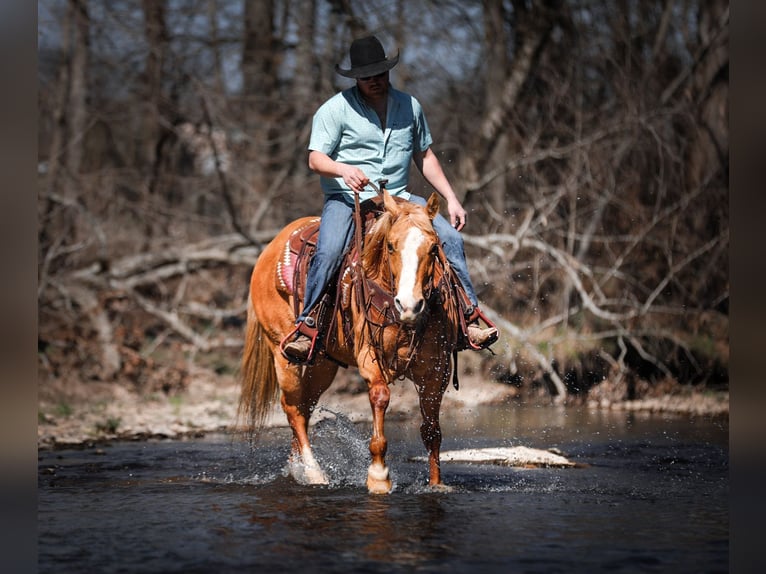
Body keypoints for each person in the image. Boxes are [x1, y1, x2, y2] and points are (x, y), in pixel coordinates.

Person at [282, 35, 497, 363]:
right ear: (356, 78)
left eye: (379, 75)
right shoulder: (335, 110)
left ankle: (469, 317)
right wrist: (343, 169)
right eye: (366, 77)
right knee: (328, 251)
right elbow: (315, 159)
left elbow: (424, 155)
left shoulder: (410, 106)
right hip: (349, 198)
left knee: (451, 238)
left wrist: (451, 198)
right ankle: (307, 324)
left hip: (400, 199)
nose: (374, 82)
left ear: (388, 72)